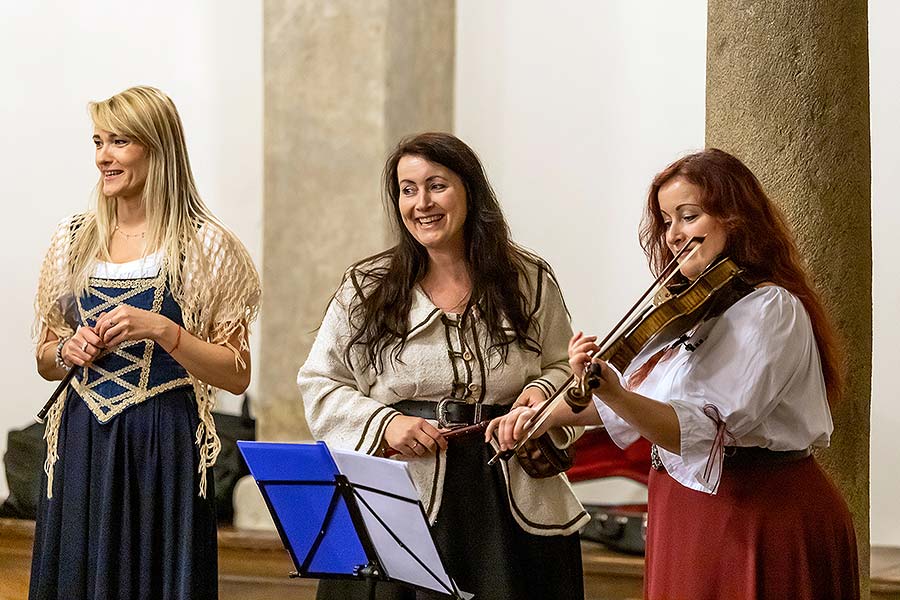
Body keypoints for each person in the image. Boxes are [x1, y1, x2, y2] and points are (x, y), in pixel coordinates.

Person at [490, 148, 860, 600]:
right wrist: (545, 415)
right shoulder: (691, 311)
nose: (674, 235)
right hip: (686, 508)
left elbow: (706, 430)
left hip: (756, 509)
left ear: (735, 218)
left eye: (688, 216)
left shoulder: (771, 309)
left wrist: (614, 392)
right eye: (667, 221)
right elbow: (636, 403)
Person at [297, 132, 588, 599]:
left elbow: (560, 367)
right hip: (398, 497)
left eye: (436, 185)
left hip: (507, 504)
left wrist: (538, 396)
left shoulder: (529, 279)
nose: (421, 203)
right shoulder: (367, 286)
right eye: (407, 189)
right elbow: (320, 382)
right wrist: (384, 424)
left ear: (470, 190)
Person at [31, 86, 260, 600]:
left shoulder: (204, 245)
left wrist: (163, 329)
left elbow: (235, 371)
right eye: (98, 142)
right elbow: (46, 358)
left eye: (119, 142)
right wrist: (67, 350)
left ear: (157, 149)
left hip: (162, 442)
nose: (103, 157)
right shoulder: (73, 241)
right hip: (82, 437)